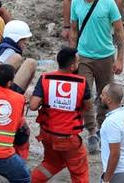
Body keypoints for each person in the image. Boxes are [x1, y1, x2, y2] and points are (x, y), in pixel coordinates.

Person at [69, 0, 124, 153]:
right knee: (84, 94)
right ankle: (92, 131)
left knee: (105, 94)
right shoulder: (75, 2)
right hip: (84, 56)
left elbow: (119, 31)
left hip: (105, 56)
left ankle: (103, 128)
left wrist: (120, 58)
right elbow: (73, 30)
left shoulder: (108, 3)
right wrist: (73, 55)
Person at [30, 47, 92, 183]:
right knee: (79, 172)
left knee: (52, 164)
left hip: (47, 134)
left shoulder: (45, 78)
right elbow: (88, 107)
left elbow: (33, 105)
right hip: (68, 137)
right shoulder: (81, 83)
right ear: (72, 66)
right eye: (77, 62)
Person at [99, 83, 124, 183]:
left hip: (119, 174)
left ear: (108, 100)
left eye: (103, 95)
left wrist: (106, 179)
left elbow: (115, 154)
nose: (100, 97)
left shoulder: (111, 122)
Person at [0, 20, 37, 94]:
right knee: (30, 63)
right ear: (16, 39)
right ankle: (16, 97)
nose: (26, 42)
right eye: (23, 39)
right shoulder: (10, 51)